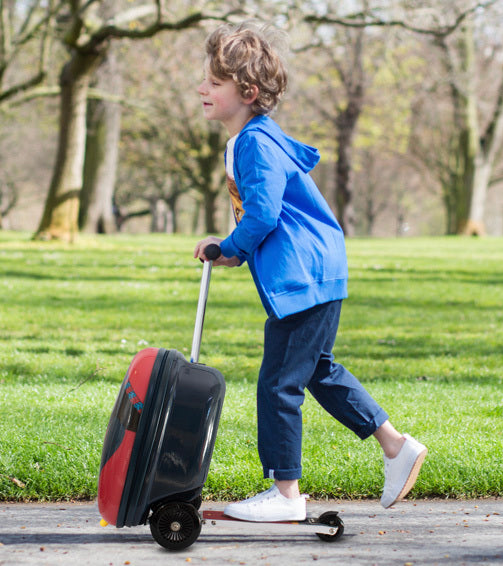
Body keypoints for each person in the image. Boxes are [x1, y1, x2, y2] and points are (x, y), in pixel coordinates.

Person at [193, 21, 427, 523]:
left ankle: (286, 494)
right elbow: (264, 210)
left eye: (214, 83)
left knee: (278, 382)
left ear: (247, 92)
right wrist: (233, 248)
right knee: (317, 369)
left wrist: (230, 247)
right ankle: (395, 445)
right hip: (318, 271)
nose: (202, 89)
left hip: (302, 275)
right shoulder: (254, 139)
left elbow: (262, 214)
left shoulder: (253, 143)